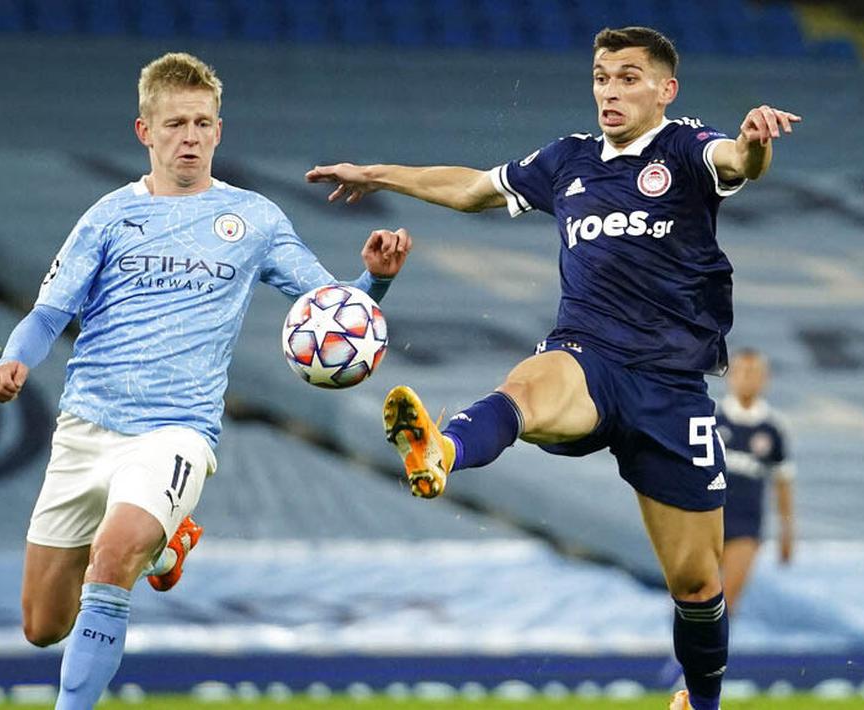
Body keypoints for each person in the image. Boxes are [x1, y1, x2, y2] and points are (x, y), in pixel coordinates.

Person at [306, 26, 798, 710]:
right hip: (588, 356)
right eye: (601, 76)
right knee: (528, 384)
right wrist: (375, 173)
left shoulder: (685, 148)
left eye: (628, 77)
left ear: (665, 89)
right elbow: (473, 188)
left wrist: (754, 141)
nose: (610, 90)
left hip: (671, 388)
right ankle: (440, 450)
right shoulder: (568, 160)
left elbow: (736, 161)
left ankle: (701, 700)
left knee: (694, 584)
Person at [0, 52, 411, 710]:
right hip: (85, 429)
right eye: (175, 122)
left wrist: (374, 278)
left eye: (202, 122)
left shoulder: (256, 221)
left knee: (114, 553)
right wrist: (15, 360)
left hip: (175, 431)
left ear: (217, 130)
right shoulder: (106, 217)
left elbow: (335, 314)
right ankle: (166, 547)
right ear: (144, 132)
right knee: (44, 627)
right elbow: (48, 313)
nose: (190, 136)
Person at [716, 348, 795, 614]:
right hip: (706, 521)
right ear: (730, 376)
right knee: (694, 598)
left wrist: (787, 531)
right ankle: (682, 653)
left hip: (745, 525)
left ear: (765, 379)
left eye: (754, 373)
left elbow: (783, 481)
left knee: (727, 602)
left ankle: (713, 655)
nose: (747, 379)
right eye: (741, 372)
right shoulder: (711, 420)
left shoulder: (772, 428)